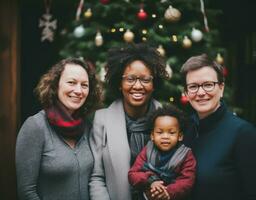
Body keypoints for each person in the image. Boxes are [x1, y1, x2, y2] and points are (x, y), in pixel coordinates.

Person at [180, 53, 256, 200]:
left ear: (221, 88)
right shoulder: (185, 130)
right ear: (186, 93)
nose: (201, 93)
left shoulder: (243, 134)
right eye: (193, 86)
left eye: (208, 85)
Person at [89, 43, 169, 200]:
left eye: (145, 79)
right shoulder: (101, 120)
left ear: (154, 84)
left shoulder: (168, 119)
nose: (138, 86)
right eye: (130, 79)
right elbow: (96, 177)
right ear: (120, 83)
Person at [16, 58, 101, 200]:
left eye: (84, 85)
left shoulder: (88, 127)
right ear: (56, 85)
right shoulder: (35, 126)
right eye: (71, 82)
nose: (79, 90)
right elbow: (26, 192)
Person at [128, 105, 196, 200]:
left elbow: (187, 181)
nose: (165, 136)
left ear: (180, 136)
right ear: (152, 136)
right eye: (160, 132)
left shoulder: (186, 155)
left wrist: (168, 192)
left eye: (171, 133)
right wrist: (151, 181)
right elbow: (133, 174)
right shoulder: (147, 150)